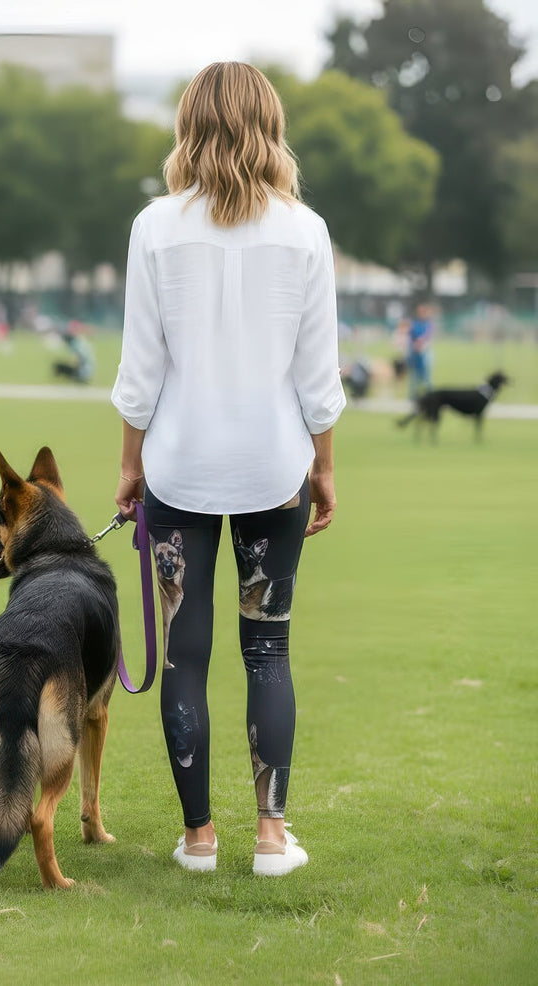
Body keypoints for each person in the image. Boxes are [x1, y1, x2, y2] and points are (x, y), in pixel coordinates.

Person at [111, 62, 346, 877]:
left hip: (178, 464)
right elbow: (318, 379)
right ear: (270, 125)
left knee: (185, 655)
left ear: (188, 125)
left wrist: (130, 465)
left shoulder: (154, 225)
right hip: (274, 464)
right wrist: (322, 468)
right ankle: (272, 838)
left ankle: (199, 839)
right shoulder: (305, 229)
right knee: (267, 652)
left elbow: (141, 370)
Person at [403, 301, 435, 400]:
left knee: (426, 375)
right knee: (414, 376)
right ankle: (413, 396)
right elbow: (409, 333)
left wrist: (421, 343)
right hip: (414, 352)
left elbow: (428, 336)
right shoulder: (414, 323)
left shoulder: (429, 324)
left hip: (424, 351)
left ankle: (430, 395)